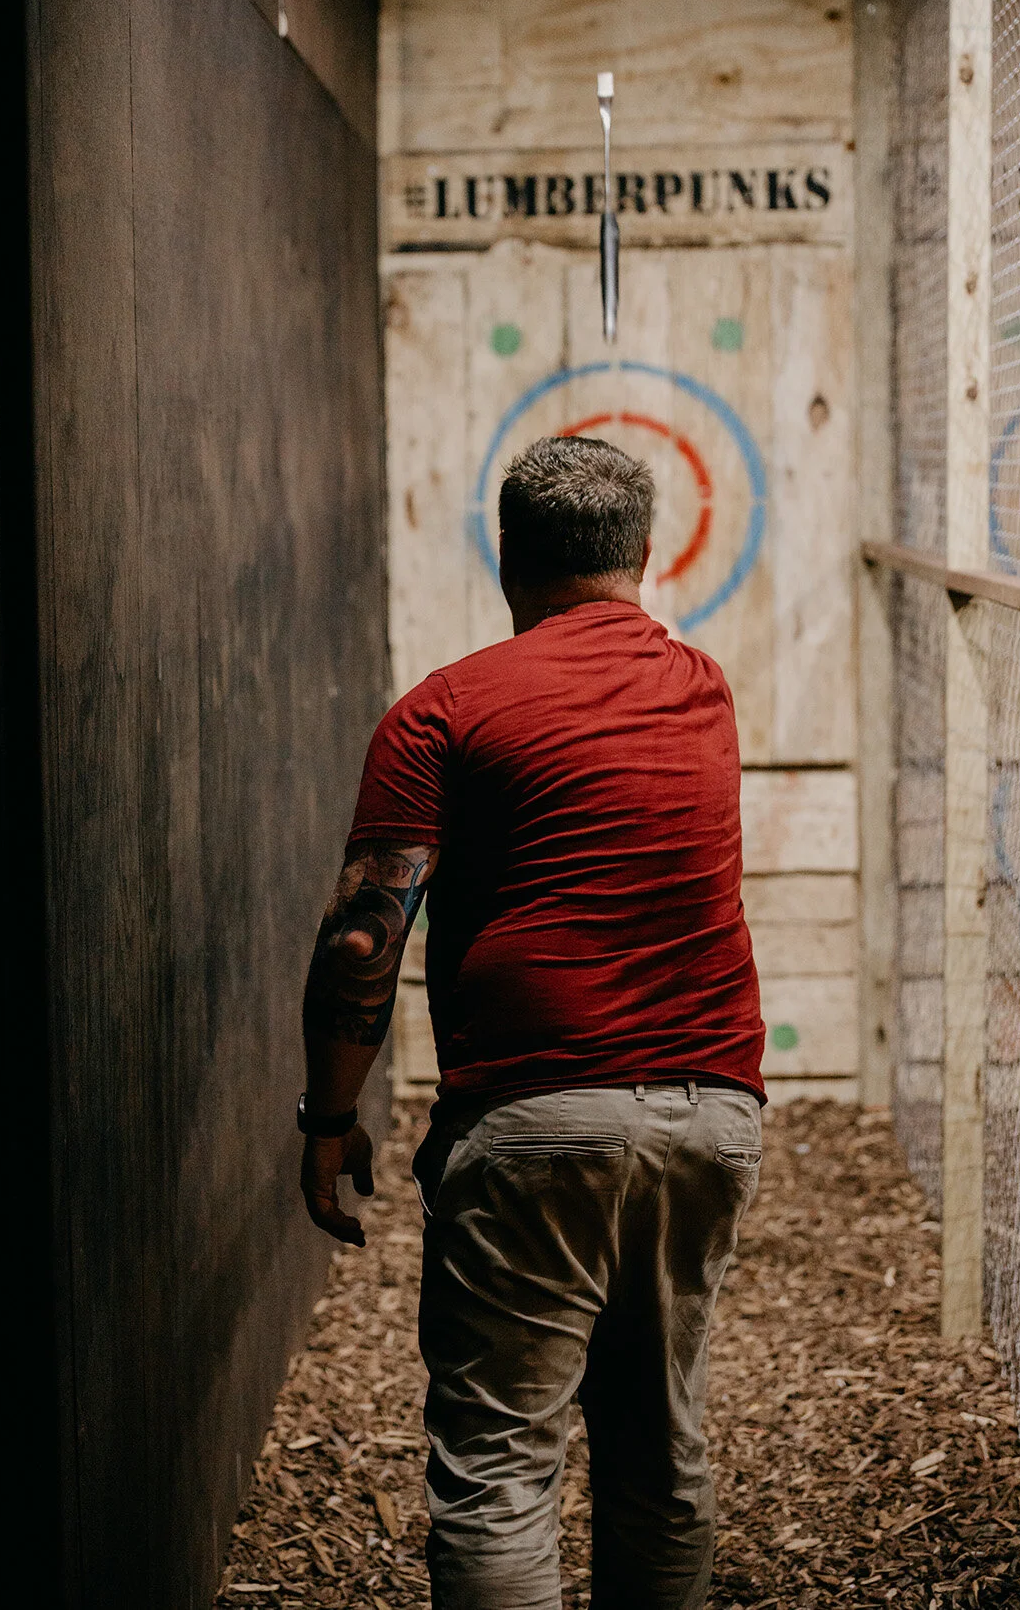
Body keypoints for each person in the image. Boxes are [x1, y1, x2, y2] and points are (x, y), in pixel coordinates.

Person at [297, 435, 765, 1610]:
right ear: (644, 555)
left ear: (506, 554)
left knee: (503, 1466)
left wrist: (328, 1115)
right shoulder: (701, 688)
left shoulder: (442, 711)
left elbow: (364, 933)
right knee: (660, 1454)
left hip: (532, 1118)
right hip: (710, 1116)